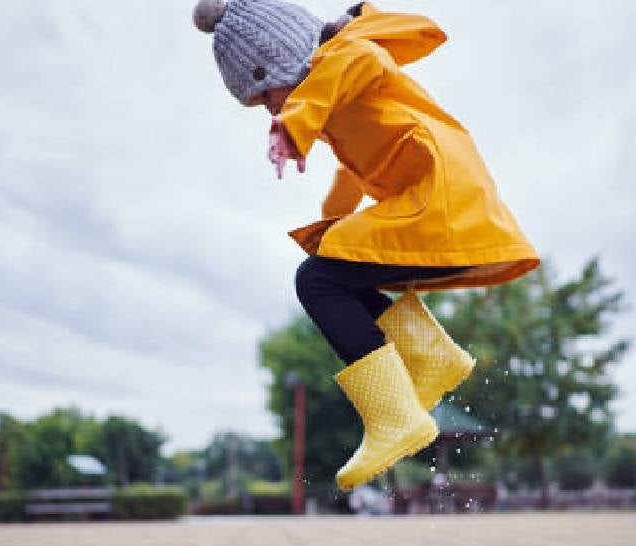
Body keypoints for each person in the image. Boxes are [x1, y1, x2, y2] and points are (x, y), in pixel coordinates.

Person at [194, 0, 539, 491]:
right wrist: (330, 230)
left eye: (265, 95)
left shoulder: (352, 53)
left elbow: (355, 62)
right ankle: (429, 358)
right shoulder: (339, 100)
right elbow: (351, 175)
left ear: (285, 62)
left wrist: (294, 122)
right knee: (328, 271)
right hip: (443, 205)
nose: (270, 108)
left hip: (443, 203)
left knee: (316, 280)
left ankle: (397, 417)